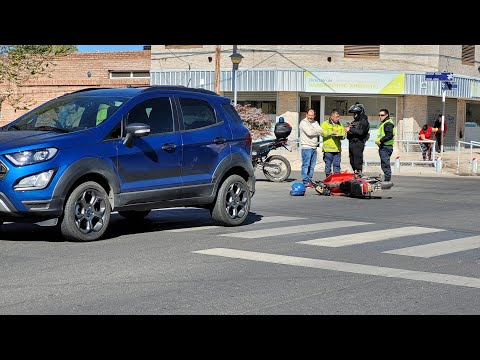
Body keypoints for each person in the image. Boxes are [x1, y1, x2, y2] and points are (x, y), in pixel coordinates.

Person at [299, 108, 324, 187]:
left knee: (312, 166)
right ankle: (305, 181)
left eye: (312, 115)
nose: (310, 117)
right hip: (306, 147)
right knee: (306, 165)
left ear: (314, 116)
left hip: (314, 147)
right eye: (309, 115)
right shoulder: (303, 122)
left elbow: (321, 131)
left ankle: (309, 180)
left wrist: (315, 130)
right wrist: (316, 130)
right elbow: (309, 133)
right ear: (306, 115)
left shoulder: (316, 122)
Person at [345, 103, 370, 177]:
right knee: (352, 160)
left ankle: (359, 174)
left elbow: (361, 132)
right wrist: (349, 131)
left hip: (358, 143)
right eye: (353, 114)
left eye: (355, 113)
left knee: (357, 160)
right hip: (352, 143)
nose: (354, 115)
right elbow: (351, 133)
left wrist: (351, 129)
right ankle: (355, 173)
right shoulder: (354, 122)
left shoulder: (364, 121)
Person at [320, 109, 346, 178]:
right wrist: (332, 132)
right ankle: (328, 179)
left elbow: (343, 135)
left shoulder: (339, 124)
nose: (338, 118)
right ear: (331, 117)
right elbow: (322, 133)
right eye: (336, 117)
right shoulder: (325, 124)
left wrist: (342, 135)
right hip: (328, 150)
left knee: (337, 166)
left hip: (337, 150)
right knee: (328, 166)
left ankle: (337, 180)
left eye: (338, 116)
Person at [375, 109, 395, 182]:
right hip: (384, 146)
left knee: (385, 163)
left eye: (382, 115)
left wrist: (381, 141)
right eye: (379, 115)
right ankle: (387, 178)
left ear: (387, 115)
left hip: (386, 146)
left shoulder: (388, 123)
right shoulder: (384, 123)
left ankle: (387, 180)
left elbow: (389, 135)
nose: (380, 117)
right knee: (384, 163)